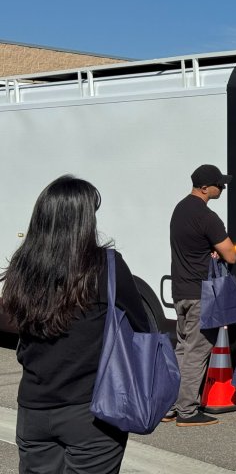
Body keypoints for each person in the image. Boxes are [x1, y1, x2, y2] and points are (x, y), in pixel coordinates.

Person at [1, 175, 151, 472]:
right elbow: (141, 326)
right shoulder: (106, 265)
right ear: (83, 221)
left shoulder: (22, 266)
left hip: (33, 410)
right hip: (92, 412)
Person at [168, 164, 236, 427]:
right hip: (201, 293)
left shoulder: (179, 210)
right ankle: (187, 411)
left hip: (180, 291)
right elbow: (231, 253)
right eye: (220, 184)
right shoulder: (207, 217)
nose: (223, 187)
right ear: (205, 188)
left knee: (183, 349)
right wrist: (219, 250)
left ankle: (172, 405)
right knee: (198, 351)